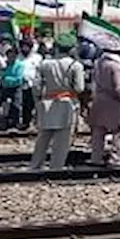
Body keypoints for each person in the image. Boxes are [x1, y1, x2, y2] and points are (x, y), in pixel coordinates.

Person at [30, 34, 85, 171]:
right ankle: (56, 167)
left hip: (47, 102)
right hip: (67, 104)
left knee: (43, 137)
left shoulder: (44, 64)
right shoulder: (75, 65)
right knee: (62, 140)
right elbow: (79, 88)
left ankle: (35, 165)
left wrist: (38, 101)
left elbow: (36, 87)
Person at [87, 34, 120, 167]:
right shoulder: (116, 66)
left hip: (99, 99)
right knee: (118, 131)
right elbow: (119, 87)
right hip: (114, 102)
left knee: (98, 131)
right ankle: (116, 158)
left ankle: (96, 158)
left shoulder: (99, 63)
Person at [0, 47, 26, 131]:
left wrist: (6, 78)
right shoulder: (4, 64)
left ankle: (15, 124)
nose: (11, 58)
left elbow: (19, 78)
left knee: (16, 105)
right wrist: (6, 78)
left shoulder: (19, 65)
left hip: (16, 88)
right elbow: (1, 74)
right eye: (9, 56)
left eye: (13, 56)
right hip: (4, 87)